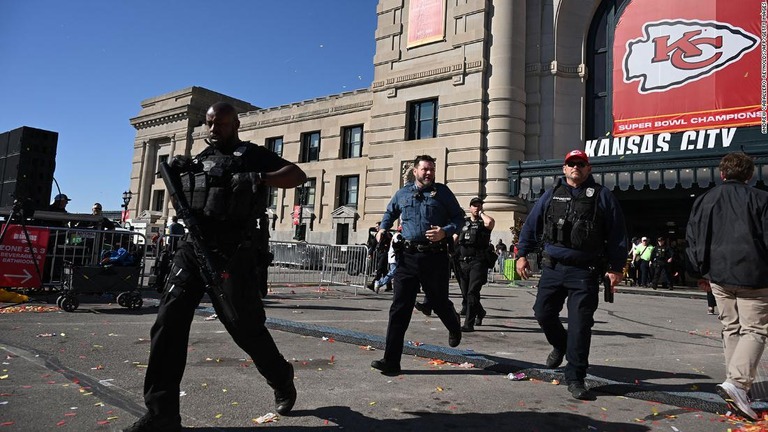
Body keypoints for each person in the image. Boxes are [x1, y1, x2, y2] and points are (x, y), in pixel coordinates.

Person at [124, 102, 307, 432]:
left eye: (219, 124)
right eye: (208, 124)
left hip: (232, 253)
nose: (212, 130)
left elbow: (297, 175)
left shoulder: (251, 154)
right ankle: (162, 413)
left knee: (244, 327)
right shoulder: (200, 160)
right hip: (193, 249)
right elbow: (182, 200)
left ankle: (281, 376)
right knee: (168, 323)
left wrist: (258, 178)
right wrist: (181, 174)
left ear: (235, 124)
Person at [516, 149, 627, 400]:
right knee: (543, 313)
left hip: (584, 272)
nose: (575, 167)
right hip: (553, 268)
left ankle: (575, 377)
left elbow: (618, 234)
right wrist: (522, 254)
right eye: (571, 164)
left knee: (579, 326)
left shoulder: (602, 196)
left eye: (580, 164)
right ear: (564, 169)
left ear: (589, 169)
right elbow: (531, 226)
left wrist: (616, 268)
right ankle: (560, 345)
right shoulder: (551, 194)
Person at [685, 151, 768, 421]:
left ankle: (735, 383)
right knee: (755, 329)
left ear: (722, 174)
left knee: (731, 327)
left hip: (718, 274)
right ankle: (738, 384)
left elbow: (693, 236)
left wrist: (699, 269)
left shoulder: (705, 199)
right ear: (749, 175)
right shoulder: (761, 199)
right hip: (754, 274)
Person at [370, 154, 465, 376]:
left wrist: (445, 231)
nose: (429, 173)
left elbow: (459, 218)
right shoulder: (403, 193)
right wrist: (383, 228)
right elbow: (390, 212)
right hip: (408, 257)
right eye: (425, 169)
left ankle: (453, 325)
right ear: (415, 171)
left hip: (435, 257)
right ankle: (391, 361)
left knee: (439, 302)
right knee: (399, 309)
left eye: (432, 169)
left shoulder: (442, 193)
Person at [456, 197, 495, 332]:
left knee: (472, 292)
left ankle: (468, 324)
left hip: (478, 261)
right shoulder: (463, 223)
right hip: (462, 262)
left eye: (479, 205)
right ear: (469, 207)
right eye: (474, 205)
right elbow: (455, 238)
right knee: (467, 294)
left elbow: (490, 222)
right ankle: (481, 312)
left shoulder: (484, 223)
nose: (476, 207)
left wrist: (481, 214)